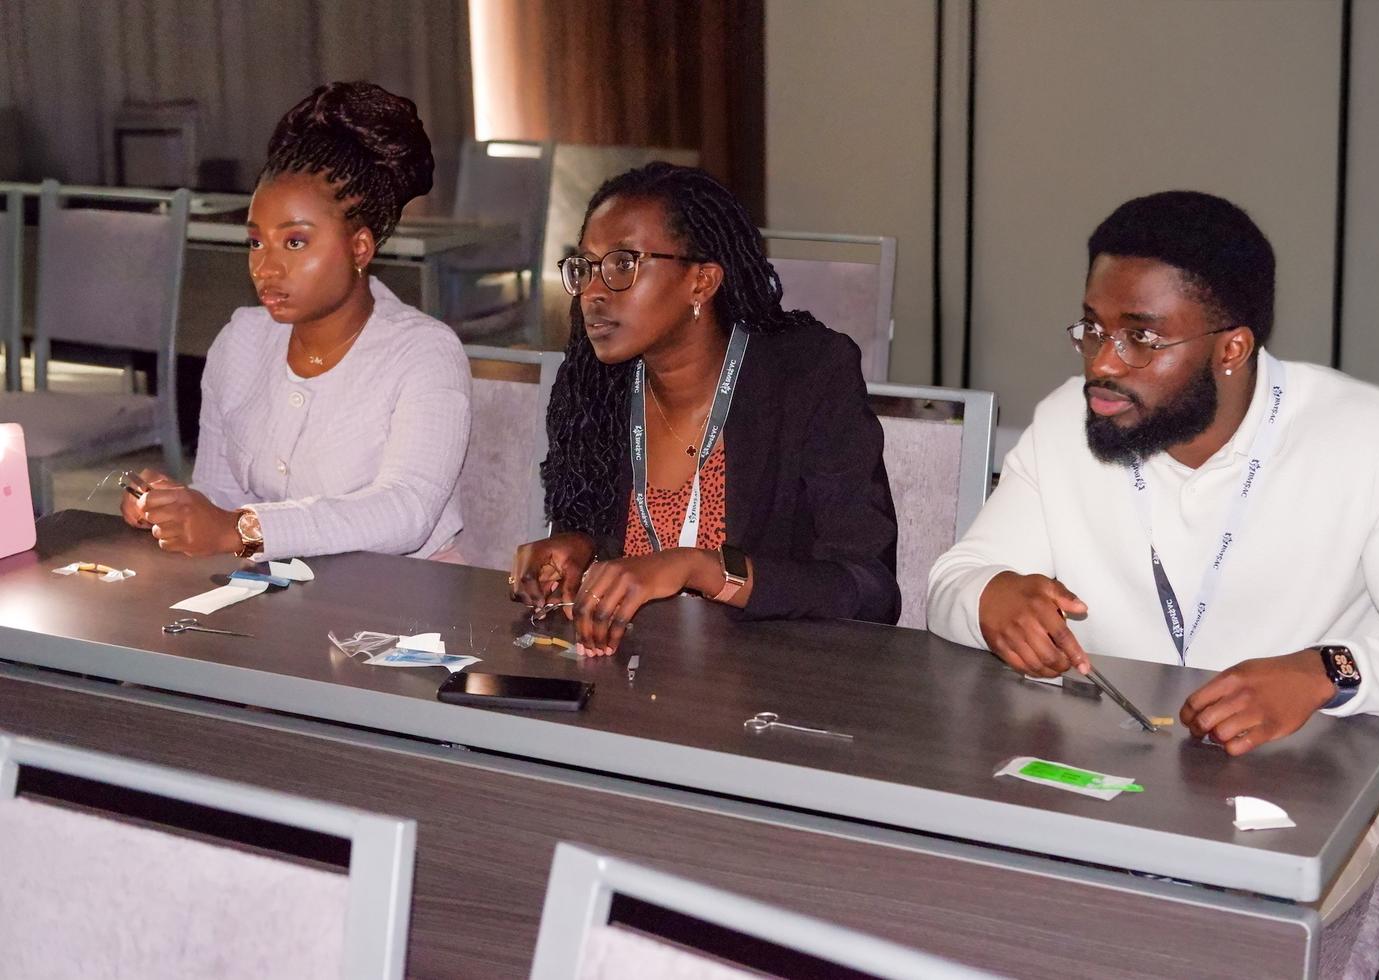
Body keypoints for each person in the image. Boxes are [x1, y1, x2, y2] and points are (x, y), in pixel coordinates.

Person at [927, 190, 1379, 952]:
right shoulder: (1066, 425)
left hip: (1308, 783)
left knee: (1197, 940)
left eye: (1140, 338)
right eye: (1092, 328)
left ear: (1232, 348)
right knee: (959, 905)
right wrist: (991, 597)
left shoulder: (1371, 439)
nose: (1102, 365)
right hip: (1111, 770)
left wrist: (1326, 670)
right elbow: (953, 582)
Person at [511, 163, 899, 655]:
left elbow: (870, 590)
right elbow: (604, 534)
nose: (593, 292)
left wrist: (702, 567)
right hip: (624, 679)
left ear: (702, 281)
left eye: (623, 265)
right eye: (586, 267)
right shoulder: (594, 386)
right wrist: (578, 549)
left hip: (764, 691)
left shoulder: (807, 377)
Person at [120, 81, 471, 562]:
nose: (266, 267)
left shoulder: (425, 353)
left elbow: (405, 512)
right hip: (279, 593)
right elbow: (220, 496)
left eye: (295, 243)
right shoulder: (240, 342)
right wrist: (179, 508)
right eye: (256, 242)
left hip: (401, 603)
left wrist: (241, 530)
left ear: (360, 247)